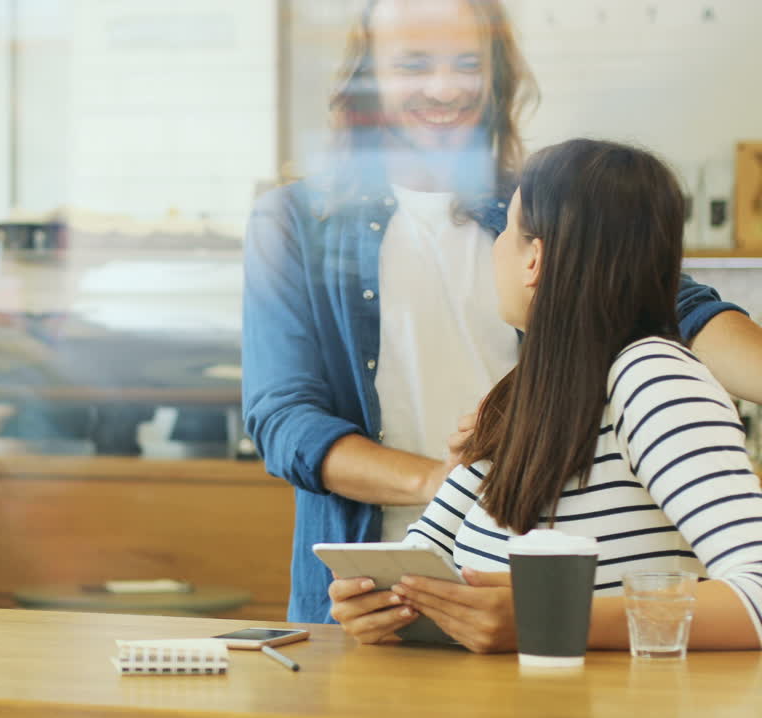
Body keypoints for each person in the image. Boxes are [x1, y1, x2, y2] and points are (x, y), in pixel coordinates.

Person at [241, 0, 762, 624]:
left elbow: (669, 304)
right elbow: (284, 419)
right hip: (396, 588)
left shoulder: (542, 201)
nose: (444, 86)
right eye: (413, 64)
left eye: (467, 62)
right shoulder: (296, 223)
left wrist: (539, 600)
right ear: (367, 77)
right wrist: (461, 484)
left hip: (543, 584)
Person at [329, 138, 762, 652]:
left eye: (506, 229)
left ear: (534, 258)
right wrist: (379, 604)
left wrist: (550, 618)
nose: (495, 247)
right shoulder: (517, 397)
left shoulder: (652, 378)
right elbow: (423, 556)